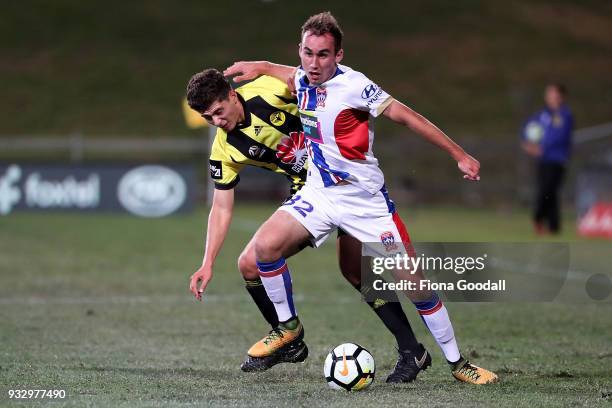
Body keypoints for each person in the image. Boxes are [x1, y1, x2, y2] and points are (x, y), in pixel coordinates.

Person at [223, 11, 499, 385]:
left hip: (365, 203)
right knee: (265, 249)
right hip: (320, 194)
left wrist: (459, 154)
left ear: (338, 55)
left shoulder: (356, 86)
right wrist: (259, 65)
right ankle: (288, 329)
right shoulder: (301, 78)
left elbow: (408, 116)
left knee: (412, 283)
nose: (314, 62)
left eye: (323, 54)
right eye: (308, 53)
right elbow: (285, 71)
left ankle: (457, 363)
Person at [186, 68, 427, 377]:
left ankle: (412, 350)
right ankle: (289, 340)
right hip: (310, 194)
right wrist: (207, 263)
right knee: (249, 264)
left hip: (346, 180)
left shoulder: (268, 89)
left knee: (356, 271)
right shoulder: (224, 147)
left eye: (219, 111)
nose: (217, 121)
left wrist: (266, 65)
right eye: (209, 118)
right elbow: (221, 207)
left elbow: (313, 79)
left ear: (232, 95)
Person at [521, 83, 573, 234]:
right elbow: (527, 127)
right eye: (549, 93)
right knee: (549, 192)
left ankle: (538, 218)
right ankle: (553, 227)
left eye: (554, 94)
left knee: (548, 190)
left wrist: (542, 147)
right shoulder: (542, 114)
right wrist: (527, 143)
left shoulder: (565, 115)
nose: (551, 97)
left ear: (561, 96)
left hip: (557, 159)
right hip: (543, 160)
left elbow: (559, 136)